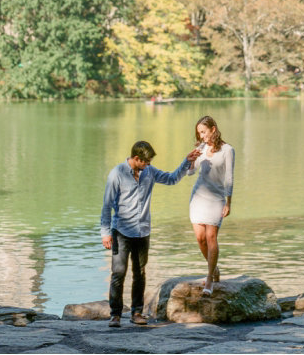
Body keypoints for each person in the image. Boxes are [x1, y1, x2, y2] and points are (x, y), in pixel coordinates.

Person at [100, 139, 200, 328]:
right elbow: (107, 206)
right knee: (118, 273)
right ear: (136, 158)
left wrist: (186, 162)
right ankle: (115, 315)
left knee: (140, 273)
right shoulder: (117, 174)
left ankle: (137, 312)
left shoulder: (149, 172)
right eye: (146, 162)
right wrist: (105, 233)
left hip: (142, 231)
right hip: (121, 231)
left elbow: (171, 179)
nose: (148, 165)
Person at [188, 116, 235, 296]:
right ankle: (214, 269)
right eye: (199, 133)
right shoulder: (202, 148)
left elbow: (229, 177)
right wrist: (192, 159)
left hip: (216, 198)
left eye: (203, 132)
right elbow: (191, 173)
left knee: (211, 238)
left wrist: (228, 202)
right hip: (198, 198)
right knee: (200, 238)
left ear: (213, 129)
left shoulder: (228, 150)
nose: (201, 136)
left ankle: (209, 277)